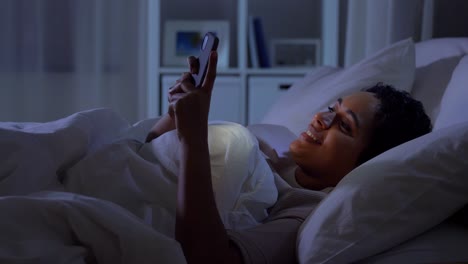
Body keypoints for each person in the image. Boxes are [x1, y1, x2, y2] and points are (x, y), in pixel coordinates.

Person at [146, 51, 432, 264]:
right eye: (333, 107)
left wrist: (193, 139)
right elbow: (147, 154)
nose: (322, 118)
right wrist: (175, 116)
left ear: (367, 163)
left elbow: (208, 259)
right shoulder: (274, 141)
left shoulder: (305, 214)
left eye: (344, 125)